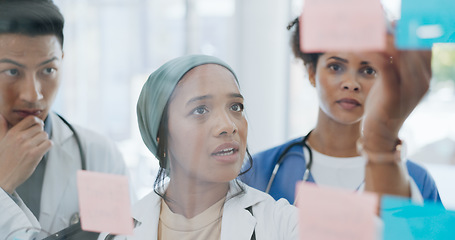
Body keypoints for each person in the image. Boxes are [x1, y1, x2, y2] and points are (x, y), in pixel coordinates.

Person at [241, 16, 441, 204]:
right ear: (312, 73)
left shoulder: (417, 181)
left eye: (368, 70)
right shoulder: (256, 172)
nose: (351, 84)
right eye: (336, 67)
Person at [101, 54, 298, 239]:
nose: (228, 126)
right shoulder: (119, 234)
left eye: (235, 107)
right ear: (161, 136)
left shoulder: (285, 225)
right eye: (200, 110)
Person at [0, 0, 129, 239]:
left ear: (62, 59)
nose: (33, 94)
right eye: (12, 71)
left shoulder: (97, 155)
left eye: (48, 70)